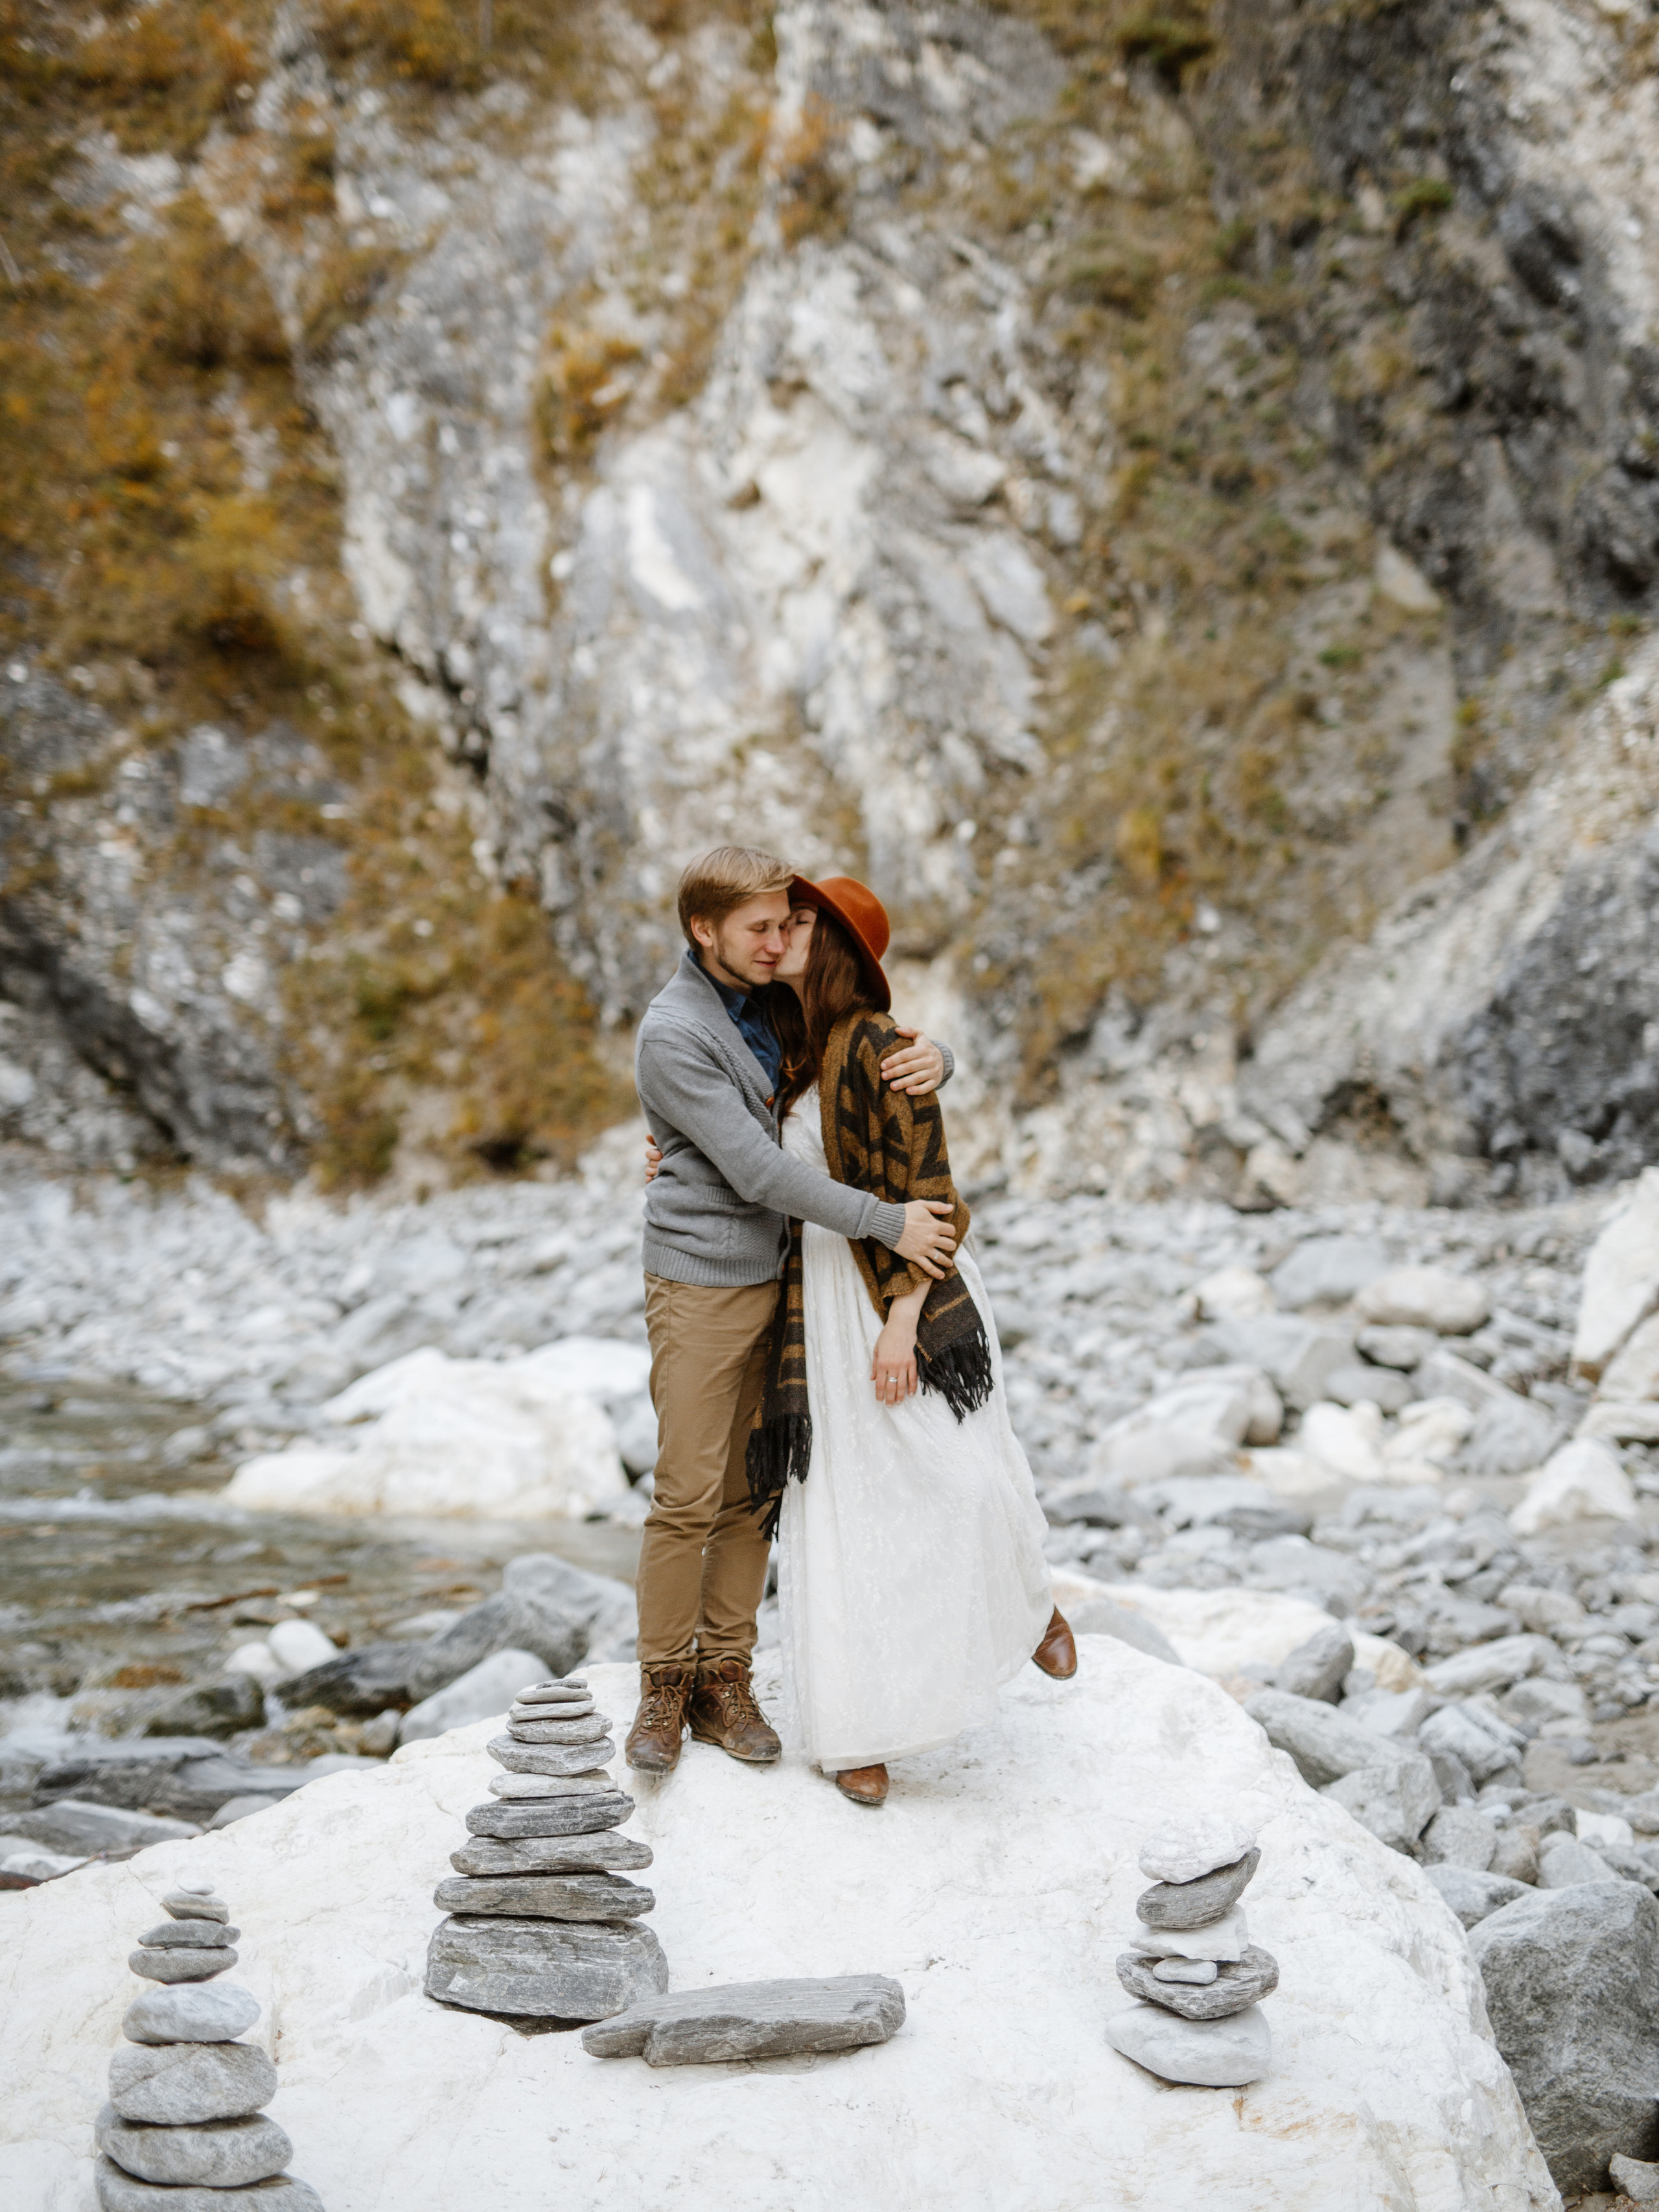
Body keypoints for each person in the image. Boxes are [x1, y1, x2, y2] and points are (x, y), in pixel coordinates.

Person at [627, 845, 962, 1778]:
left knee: (753, 1490)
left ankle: (726, 1678)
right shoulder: (673, 1031)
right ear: (704, 930)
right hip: (702, 1282)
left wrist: (941, 1058)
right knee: (687, 1493)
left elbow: (862, 1041)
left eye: (786, 925)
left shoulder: (769, 1002)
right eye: (761, 928)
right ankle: (664, 1684)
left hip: (784, 1279)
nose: (779, 943)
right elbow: (758, 1169)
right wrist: (887, 1221)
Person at [756, 873, 1075, 1807]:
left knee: (956, 1472)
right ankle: (859, 1725)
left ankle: (1024, 1599)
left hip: (896, 1282)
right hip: (815, 1295)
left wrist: (901, 1322)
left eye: (802, 923)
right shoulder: (777, 1049)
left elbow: (931, 1191)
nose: (784, 935)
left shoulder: (881, 1048)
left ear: (836, 948)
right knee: (848, 1507)